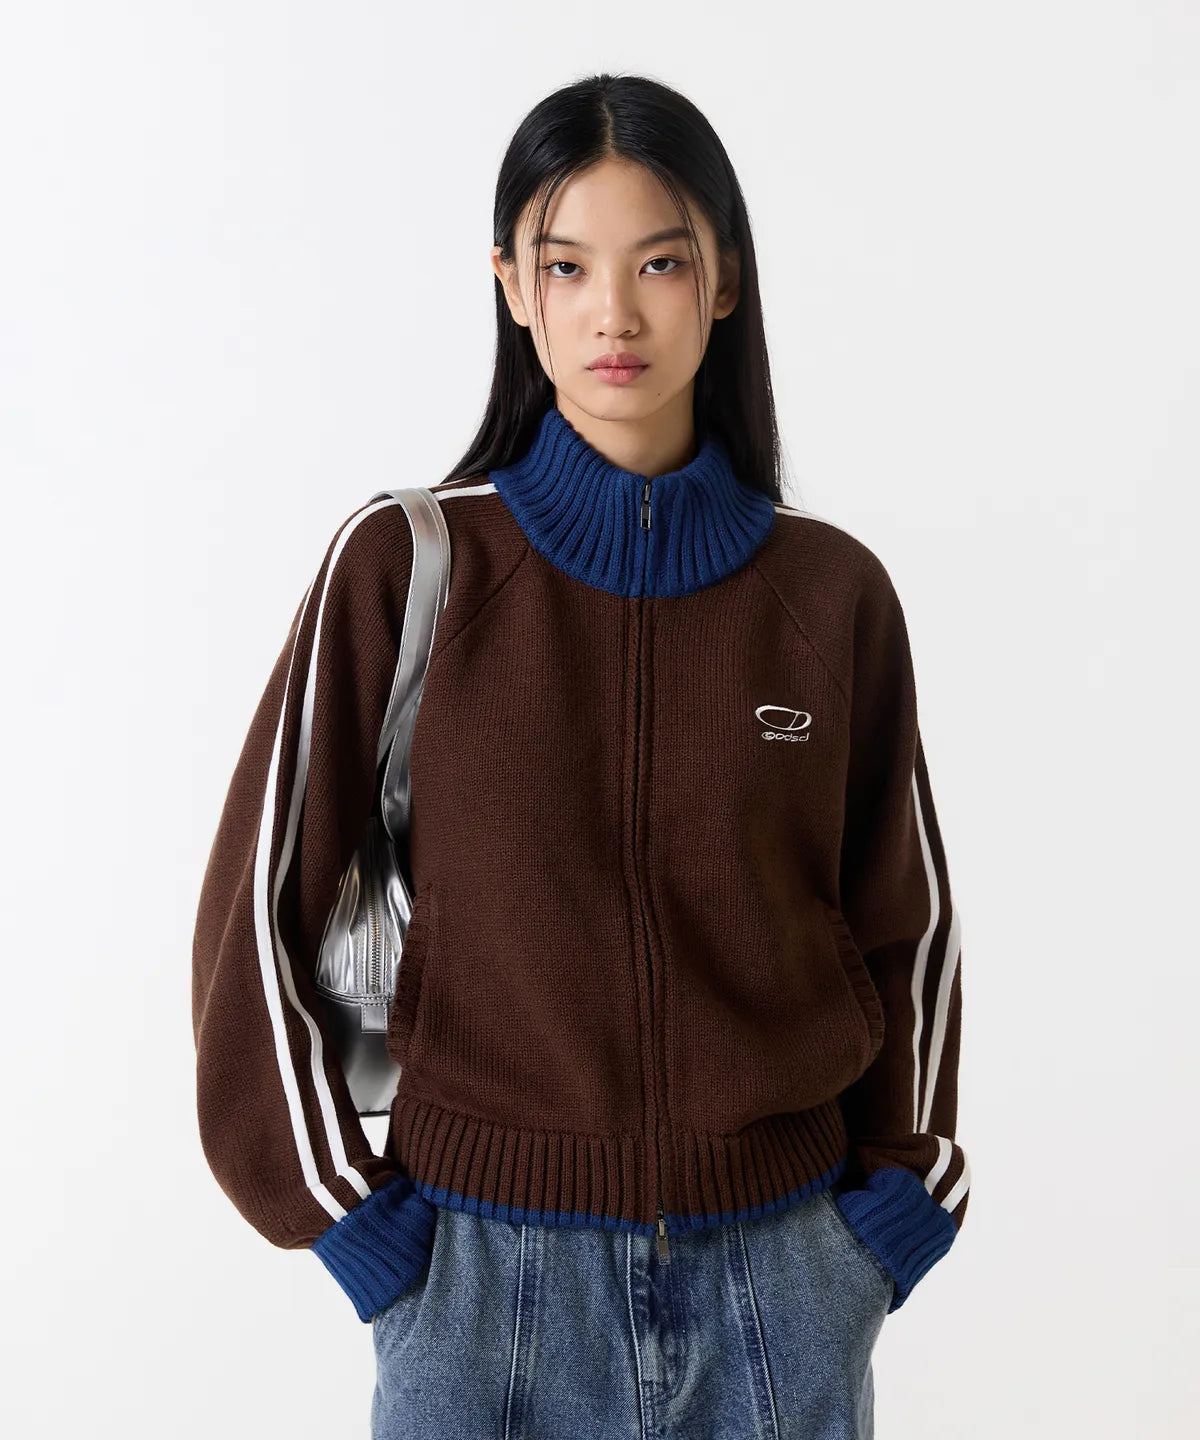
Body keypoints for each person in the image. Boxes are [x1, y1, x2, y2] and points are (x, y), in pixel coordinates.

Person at [192, 71, 970, 1440]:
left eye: (659, 262)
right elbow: (255, 914)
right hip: (479, 1292)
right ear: (512, 286)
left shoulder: (831, 596)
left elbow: (905, 930)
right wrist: (351, 1223)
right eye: (567, 266)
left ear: (724, 281)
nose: (614, 312)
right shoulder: (409, 568)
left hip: (781, 1288)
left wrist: (895, 1211)